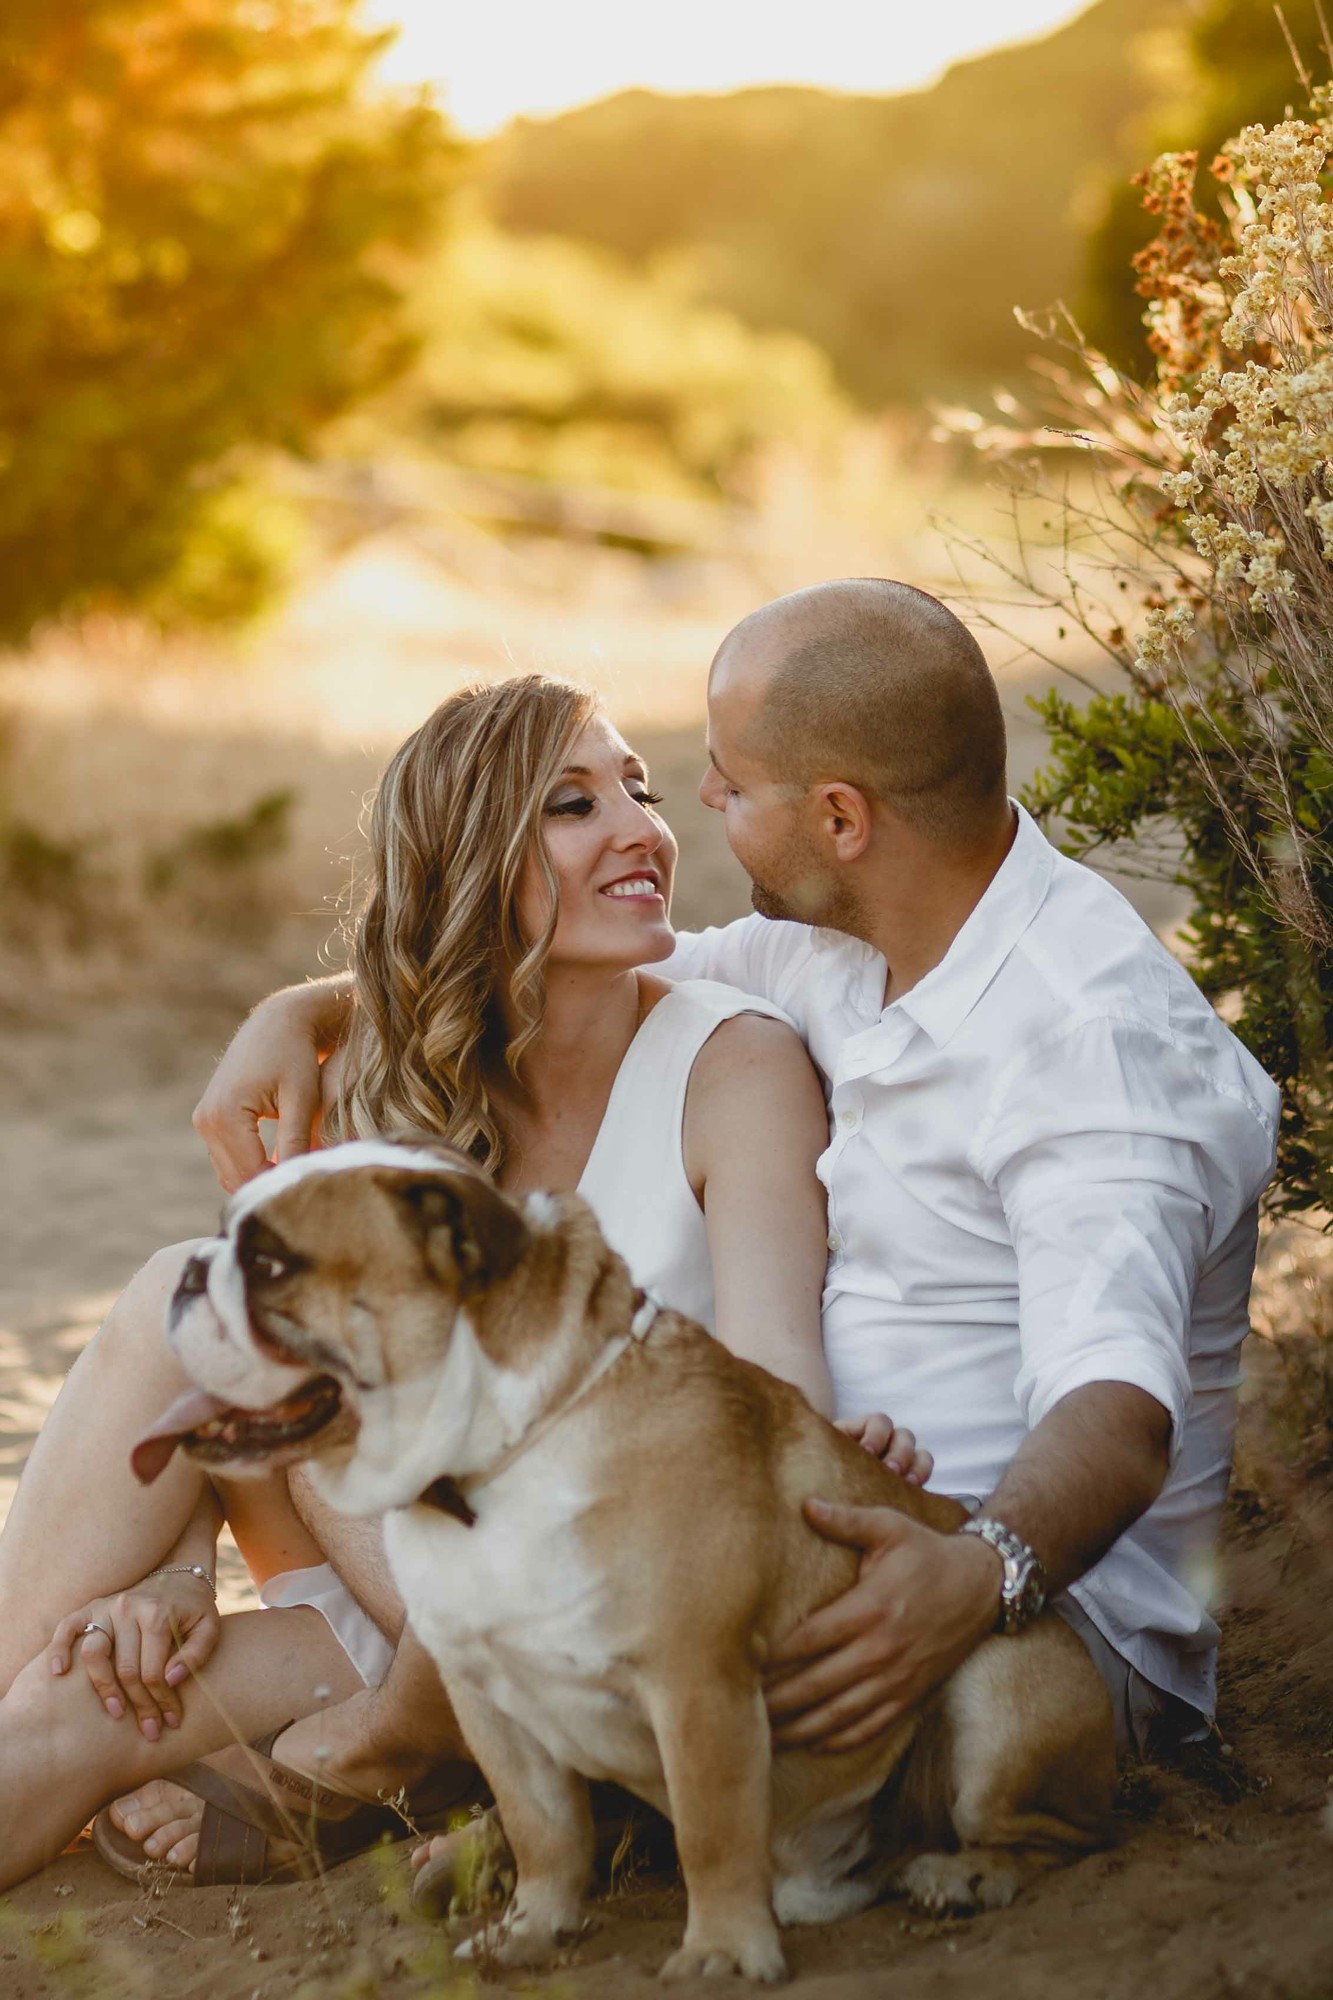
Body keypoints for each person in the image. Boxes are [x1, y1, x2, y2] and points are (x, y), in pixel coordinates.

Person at [188, 577, 1278, 1857]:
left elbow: (1120, 1411)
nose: (690, 809)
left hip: (1021, 1622)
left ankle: (421, 1761)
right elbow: (521, 943)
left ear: (839, 816)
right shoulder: (840, 942)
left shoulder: (1089, 1045)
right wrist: (303, 1013)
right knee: (229, 1321)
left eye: (724, 781)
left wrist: (976, 1572)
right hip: (794, 1525)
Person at [0, 673, 926, 1890]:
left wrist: (832, 1452)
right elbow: (248, 1381)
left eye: (639, 792)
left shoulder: (731, 1065)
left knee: (208, 1291)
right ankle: (413, 1748)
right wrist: (170, 1576)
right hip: (394, 1591)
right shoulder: (392, 1084)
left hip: (593, 1599)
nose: (642, 828)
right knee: (76, 1693)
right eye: (575, 803)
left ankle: (447, 1758)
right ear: (472, 859)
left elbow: (769, 1385)